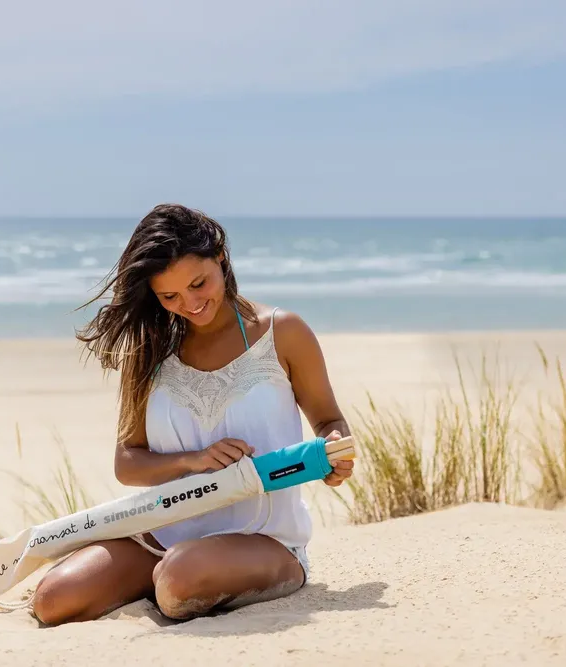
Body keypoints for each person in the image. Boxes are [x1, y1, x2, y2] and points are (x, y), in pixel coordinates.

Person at [31, 203, 354, 626]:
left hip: (262, 538)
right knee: (53, 600)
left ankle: (184, 576)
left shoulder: (283, 334)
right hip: (164, 529)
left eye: (199, 284)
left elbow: (330, 422)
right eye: (170, 296)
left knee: (178, 581)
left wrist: (336, 455)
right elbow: (128, 462)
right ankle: (164, 575)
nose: (191, 303)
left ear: (220, 258)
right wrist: (193, 460)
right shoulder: (148, 352)